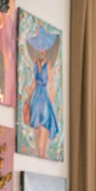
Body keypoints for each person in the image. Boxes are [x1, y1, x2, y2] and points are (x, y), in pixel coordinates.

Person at [24, 28, 60, 159]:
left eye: (44, 49)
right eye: (40, 49)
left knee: (44, 124)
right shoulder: (35, 64)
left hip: (44, 96)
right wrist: (28, 97)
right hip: (36, 97)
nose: (42, 51)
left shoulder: (48, 65)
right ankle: (39, 156)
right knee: (36, 126)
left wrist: (51, 101)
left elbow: (50, 83)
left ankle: (42, 154)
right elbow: (34, 82)